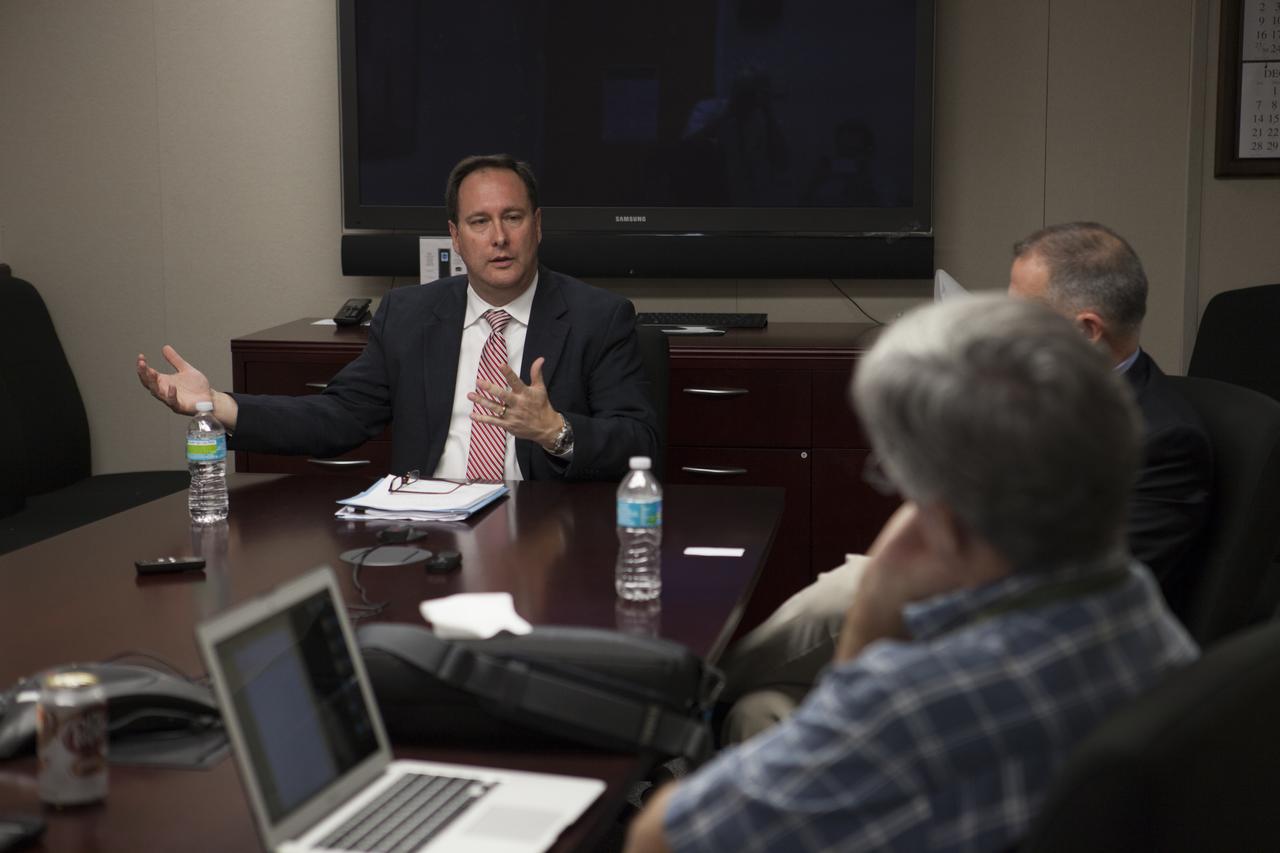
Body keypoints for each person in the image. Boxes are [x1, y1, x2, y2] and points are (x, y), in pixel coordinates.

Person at [624, 295, 1199, 853]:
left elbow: (661, 837)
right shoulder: (1141, 609)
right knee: (761, 709)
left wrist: (869, 622)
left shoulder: (920, 701)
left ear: (943, 516)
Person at [717, 221, 1213, 741]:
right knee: (759, 710)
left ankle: (675, 701)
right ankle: (685, 713)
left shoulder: (1159, 439)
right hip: (969, 601)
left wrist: (923, 591)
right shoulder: (1038, 396)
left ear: (1087, 330)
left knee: (844, 595)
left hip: (1028, 655)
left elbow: (1086, 596)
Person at [137, 154, 657, 481]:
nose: (498, 237)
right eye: (479, 222)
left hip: (546, 532)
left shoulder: (598, 318)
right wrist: (217, 404)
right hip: (428, 528)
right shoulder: (410, 315)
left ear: (537, 227)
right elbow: (338, 418)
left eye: (512, 218)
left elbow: (640, 442)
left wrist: (555, 430)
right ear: (456, 238)